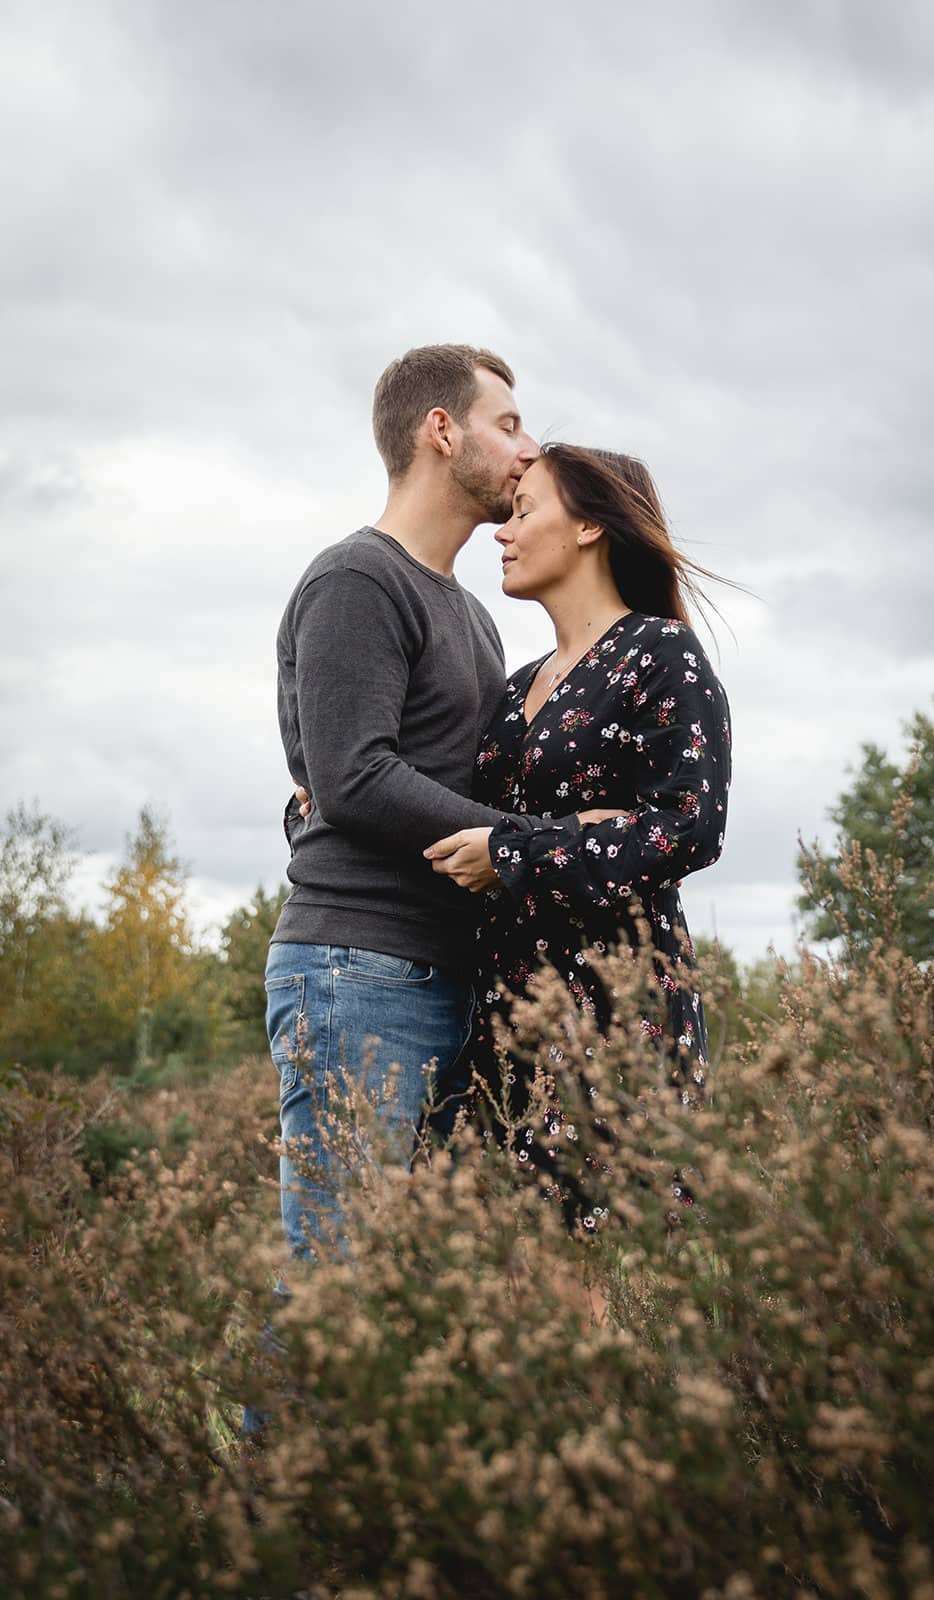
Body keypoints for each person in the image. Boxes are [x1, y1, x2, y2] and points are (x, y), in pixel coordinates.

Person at [268, 345, 616, 1257]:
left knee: (418, 1294)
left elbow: (381, 778)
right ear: (440, 431)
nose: (525, 447)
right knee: (336, 1281)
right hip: (359, 969)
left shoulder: (471, 616)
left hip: (450, 974)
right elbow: (354, 776)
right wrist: (544, 839)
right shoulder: (357, 579)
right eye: (506, 424)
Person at [422, 444, 731, 1226]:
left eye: (525, 510)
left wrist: (519, 851)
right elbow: (452, 810)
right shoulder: (515, 686)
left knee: (585, 1286)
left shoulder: (659, 654)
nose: (503, 530)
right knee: (490, 1284)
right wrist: (330, 791)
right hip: (499, 1014)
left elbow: (686, 827)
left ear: (590, 524)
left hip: (611, 1010)